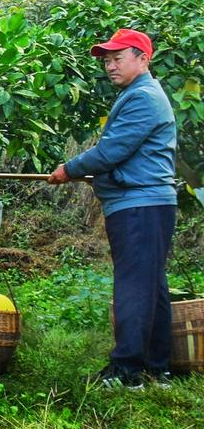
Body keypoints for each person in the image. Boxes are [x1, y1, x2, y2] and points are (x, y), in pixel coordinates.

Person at [48, 28, 178, 390]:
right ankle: (157, 367)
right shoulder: (137, 94)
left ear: (142, 58)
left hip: (139, 205)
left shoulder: (144, 97)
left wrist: (68, 170)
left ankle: (127, 371)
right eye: (106, 60)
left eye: (117, 58)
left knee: (134, 285)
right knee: (151, 284)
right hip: (145, 202)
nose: (109, 66)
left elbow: (111, 151)